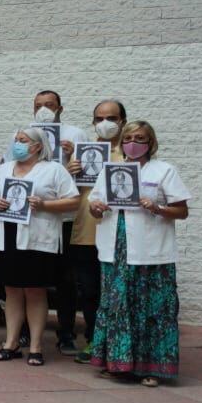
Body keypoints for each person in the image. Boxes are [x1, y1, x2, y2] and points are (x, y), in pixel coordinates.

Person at [88, 120, 188, 386]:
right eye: (129, 137)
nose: (134, 142)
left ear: (151, 143)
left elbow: (182, 210)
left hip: (151, 252)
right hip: (116, 249)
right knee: (117, 305)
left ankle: (152, 368)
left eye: (140, 138)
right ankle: (118, 364)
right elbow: (93, 208)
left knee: (152, 308)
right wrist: (97, 207)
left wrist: (157, 208)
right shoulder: (110, 171)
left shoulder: (164, 170)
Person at [0, 126, 78, 366]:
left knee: (35, 291)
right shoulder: (4, 168)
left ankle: (35, 346)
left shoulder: (54, 170)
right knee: (12, 290)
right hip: (7, 236)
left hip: (38, 238)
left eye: (23, 140)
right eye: (16, 139)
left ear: (37, 146)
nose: (18, 144)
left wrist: (45, 205)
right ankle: (11, 342)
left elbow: (74, 200)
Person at [64, 99, 126, 363]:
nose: (105, 123)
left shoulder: (130, 151)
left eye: (111, 118)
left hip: (120, 234)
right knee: (90, 291)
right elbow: (66, 194)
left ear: (122, 120)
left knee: (119, 290)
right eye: (99, 118)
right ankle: (93, 340)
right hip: (87, 232)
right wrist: (69, 172)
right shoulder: (83, 152)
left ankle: (119, 343)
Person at [30, 90, 90, 355]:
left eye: (49, 105)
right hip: (36, 217)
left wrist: (73, 159)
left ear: (60, 109)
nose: (44, 109)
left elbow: (91, 171)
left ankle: (66, 332)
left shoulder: (75, 134)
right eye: (39, 105)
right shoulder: (26, 134)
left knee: (67, 278)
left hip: (65, 217)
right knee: (34, 277)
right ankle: (28, 333)